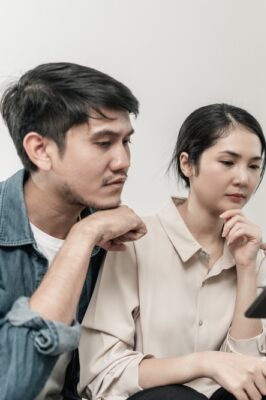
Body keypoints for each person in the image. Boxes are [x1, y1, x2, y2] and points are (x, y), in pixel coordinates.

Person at [78, 103, 266, 400]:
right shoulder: (133, 242)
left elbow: (252, 371)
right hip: (153, 398)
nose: (243, 178)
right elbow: (103, 372)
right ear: (187, 164)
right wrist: (202, 364)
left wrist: (245, 268)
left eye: (254, 166)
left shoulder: (251, 252)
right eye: (228, 162)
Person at [0, 63, 147, 399]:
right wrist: (83, 236)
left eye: (126, 142)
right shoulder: (96, 230)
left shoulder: (117, 235)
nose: (122, 160)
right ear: (40, 150)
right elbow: (11, 386)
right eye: (103, 142)